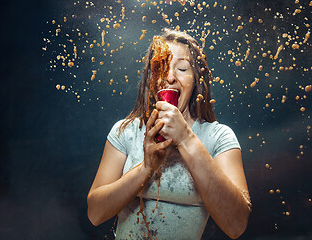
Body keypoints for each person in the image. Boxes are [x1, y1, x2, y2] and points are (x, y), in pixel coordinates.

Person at [87, 28, 251, 239]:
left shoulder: (219, 138)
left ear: (197, 80)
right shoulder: (126, 131)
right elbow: (95, 214)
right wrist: (146, 167)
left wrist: (185, 138)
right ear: (150, 78)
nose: (170, 77)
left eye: (182, 68)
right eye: (161, 68)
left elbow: (236, 225)